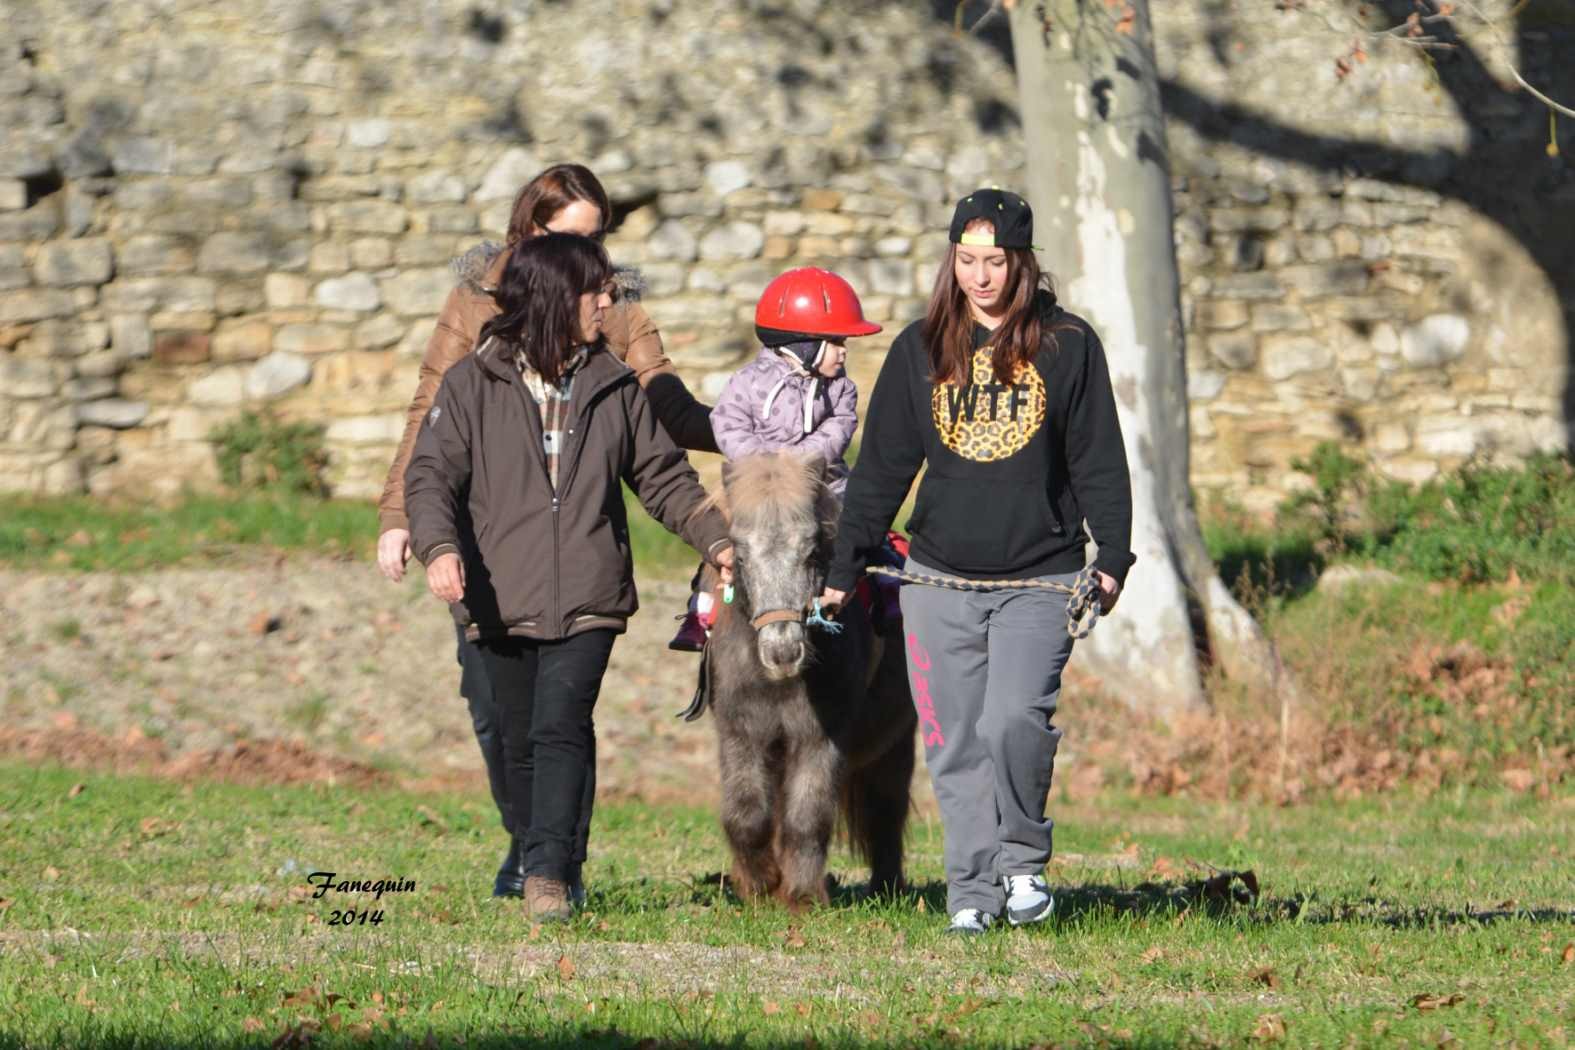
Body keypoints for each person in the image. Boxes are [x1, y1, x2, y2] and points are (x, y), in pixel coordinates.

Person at [374, 163, 716, 901]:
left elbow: (662, 410)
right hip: (491, 552)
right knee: (501, 716)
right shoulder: (476, 308)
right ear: (531, 235)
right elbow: (432, 416)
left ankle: (551, 866)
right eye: (572, 240)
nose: (598, 264)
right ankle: (529, 840)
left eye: (598, 240)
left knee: (562, 719)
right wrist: (406, 520)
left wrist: (748, 431)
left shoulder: (608, 311)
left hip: (581, 562)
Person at [820, 189, 1135, 936]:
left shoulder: (1067, 345)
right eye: (966, 260)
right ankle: (972, 892)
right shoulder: (919, 347)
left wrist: (1112, 553)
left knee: (1011, 722)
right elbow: (881, 470)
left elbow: (1098, 459)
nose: (980, 276)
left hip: (1041, 574)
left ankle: (1021, 861)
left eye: (995, 261)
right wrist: (844, 564)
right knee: (952, 741)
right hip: (936, 580)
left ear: (1020, 262)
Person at [668, 267, 879, 651]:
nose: (844, 350)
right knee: (727, 547)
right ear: (801, 346)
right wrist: (757, 461)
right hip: (756, 484)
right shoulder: (748, 382)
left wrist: (800, 461)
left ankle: (880, 600)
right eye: (835, 341)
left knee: (861, 535)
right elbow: (726, 420)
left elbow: (841, 426)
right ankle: (702, 615)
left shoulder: (842, 388)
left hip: (822, 483)